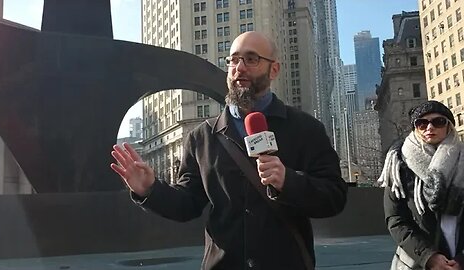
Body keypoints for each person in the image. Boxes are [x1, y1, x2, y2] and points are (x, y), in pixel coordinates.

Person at [110, 31, 347, 270]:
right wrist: (150, 190)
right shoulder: (201, 137)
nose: (239, 68)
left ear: (273, 70)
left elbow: (334, 197)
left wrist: (289, 181)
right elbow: (187, 204)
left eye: (251, 59)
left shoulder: (305, 128)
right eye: (233, 60)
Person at [379, 100, 464, 270]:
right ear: (415, 128)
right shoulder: (398, 164)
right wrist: (429, 257)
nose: (429, 128)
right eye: (422, 123)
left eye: (438, 122)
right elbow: (396, 219)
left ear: (449, 127)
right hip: (417, 263)